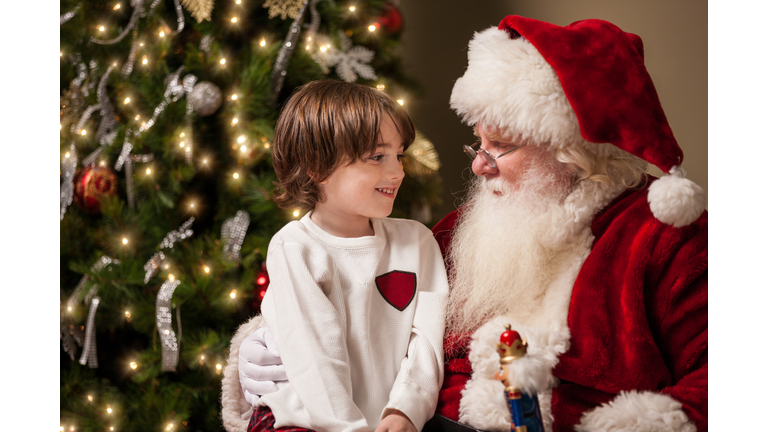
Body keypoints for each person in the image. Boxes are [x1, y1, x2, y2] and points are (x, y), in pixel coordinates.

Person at [224, 16, 707, 432]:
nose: (479, 164)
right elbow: (360, 314)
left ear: (573, 149)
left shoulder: (664, 235)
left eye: (502, 146)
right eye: (478, 143)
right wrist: (267, 340)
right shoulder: (458, 232)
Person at [222, 80, 449, 432]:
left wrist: (405, 410)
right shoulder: (296, 247)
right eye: (377, 157)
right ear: (317, 167)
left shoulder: (418, 242)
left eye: (399, 155)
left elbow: (427, 341)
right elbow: (316, 362)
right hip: (307, 422)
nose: (397, 172)